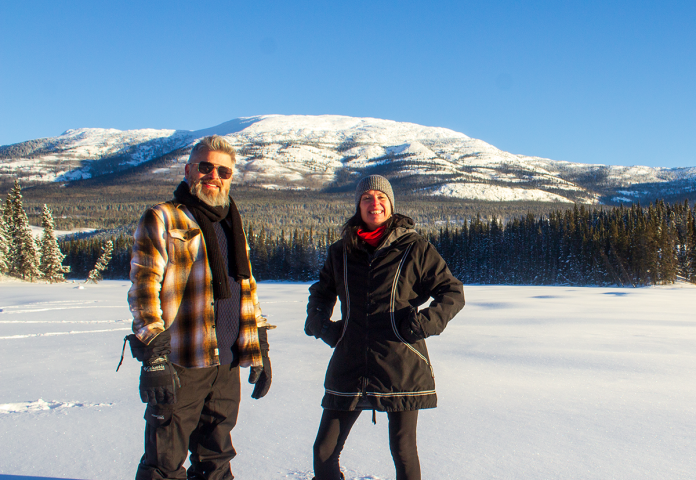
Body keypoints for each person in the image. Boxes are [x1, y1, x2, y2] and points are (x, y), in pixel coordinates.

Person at [126, 135, 273, 480]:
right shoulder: (163, 217)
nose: (214, 175)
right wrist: (155, 355)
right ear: (189, 169)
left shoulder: (231, 224)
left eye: (223, 170)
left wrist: (260, 344)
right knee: (164, 462)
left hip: (226, 363)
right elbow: (144, 288)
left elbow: (246, 288)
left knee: (216, 457)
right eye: (205, 167)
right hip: (182, 361)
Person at [305, 175, 465, 480]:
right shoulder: (341, 251)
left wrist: (421, 325)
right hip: (350, 360)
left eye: (381, 197)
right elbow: (322, 292)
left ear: (391, 205)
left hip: (400, 360)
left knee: (403, 450)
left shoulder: (414, 247)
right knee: (323, 451)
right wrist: (321, 325)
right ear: (358, 205)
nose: (374, 203)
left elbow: (452, 292)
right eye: (367, 197)